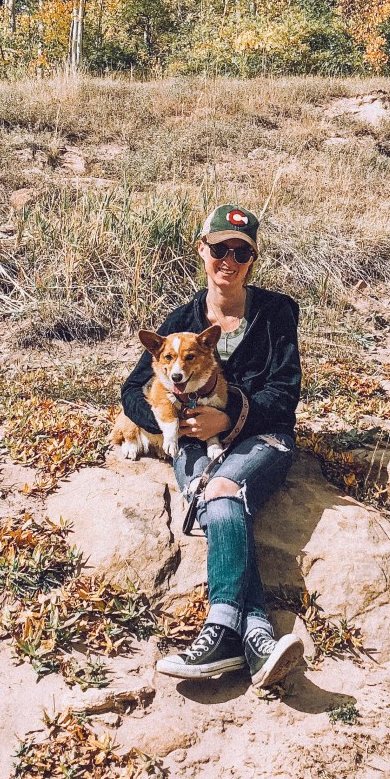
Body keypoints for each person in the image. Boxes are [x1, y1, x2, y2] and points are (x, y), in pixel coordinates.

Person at [120, 203, 304, 688]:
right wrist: (172, 422)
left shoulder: (276, 312)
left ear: (252, 259)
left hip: (264, 437)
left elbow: (285, 394)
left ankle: (220, 630)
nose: (229, 261)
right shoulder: (180, 321)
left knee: (221, 488)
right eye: (220, 249)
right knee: (219, 497)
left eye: (241, 252)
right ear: (202, 250)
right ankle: (257, 635)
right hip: (193, 444)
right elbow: (132, 391)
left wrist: (231, 413)